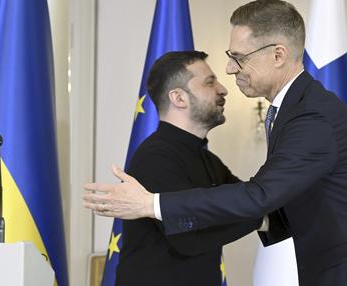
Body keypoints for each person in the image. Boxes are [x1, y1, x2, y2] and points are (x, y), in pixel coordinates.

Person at [85, 0, 347, 286]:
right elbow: (263, 202)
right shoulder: (294, 109)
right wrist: (261, 217)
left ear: (278, 55)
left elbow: (260, 195)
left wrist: (149, 203)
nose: (229, 70)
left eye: (239, 58)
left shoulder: (311, 116)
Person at [114, 51, 267, 286]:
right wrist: (260, 219)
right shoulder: (156, 158)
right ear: (179, 98)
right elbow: (191, 239)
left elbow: (247, 200)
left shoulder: (207, 159)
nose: (222, 89)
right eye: (209, 82)